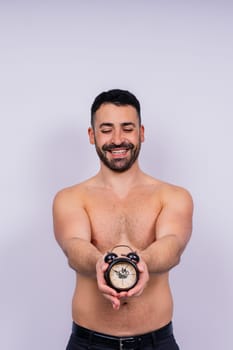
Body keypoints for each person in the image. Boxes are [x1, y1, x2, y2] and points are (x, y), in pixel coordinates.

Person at [53, 89, 193, 350]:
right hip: (89, 343)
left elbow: (173, 246)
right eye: (106, 129)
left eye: (127, 128)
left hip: (156, 343)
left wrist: (143, 262)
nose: (117, 139)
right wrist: (98, 262)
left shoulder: (173, 196)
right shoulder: (70, 198)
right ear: (92, 135)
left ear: (141, 133)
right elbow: (73, 246)